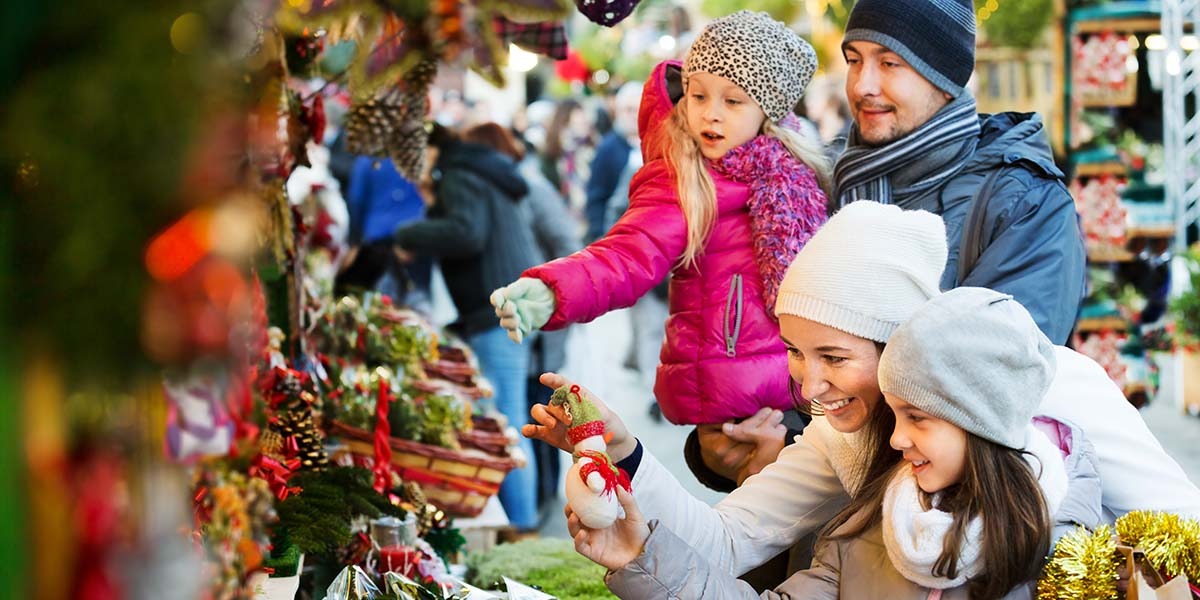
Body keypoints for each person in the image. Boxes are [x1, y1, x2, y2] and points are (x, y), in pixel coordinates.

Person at [522, 201, 1200, 589]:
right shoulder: (843, 442)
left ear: (900, 343)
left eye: (835, 357)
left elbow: (1182, 528)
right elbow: (728, 541)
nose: (808, 385)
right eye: (793, 351)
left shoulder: (1054, 387)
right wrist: (627, 452)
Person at [490, 10, 831, 486]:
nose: (711, 112)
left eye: (733, 100)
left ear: (767, 111)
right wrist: (553, 290)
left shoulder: (796, 171)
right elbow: (627, 254)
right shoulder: (687, 179)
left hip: (800, 391)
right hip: (736, 398)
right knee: (766, 538)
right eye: (698, 95)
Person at [584, 288, 1103, 599]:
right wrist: (639, 555)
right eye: (795, 352)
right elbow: (730, 538)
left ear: (982, 418)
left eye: (918, 418)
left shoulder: (1070, 551)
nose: (898, 439)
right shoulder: (871, 524)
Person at [830, 0, 1086, 346]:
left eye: (889, 63)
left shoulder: (1027, 203)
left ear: (945, 78)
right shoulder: (829, 182)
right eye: (854, 61)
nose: (862, 85)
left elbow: (999, 365)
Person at [391, 123, 544, 533]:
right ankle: (520, 523)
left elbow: (466, 233)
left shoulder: (458, 174)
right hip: (504, 306)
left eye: (411, 155)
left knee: (504, 424)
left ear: (432, 149)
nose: (406, 167)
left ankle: (522, 529)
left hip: (498, 312)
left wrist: (408, 234)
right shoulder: (472, 169)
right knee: (506, 420)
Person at [461, 121, 583, 520]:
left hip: (540, 317)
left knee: (534, 413)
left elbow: (567, 244)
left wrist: (548, 292)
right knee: (530, 414)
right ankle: (541, 503)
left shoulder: (527, 185)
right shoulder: (504, 185)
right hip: (522, 317)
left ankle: (539, 509)